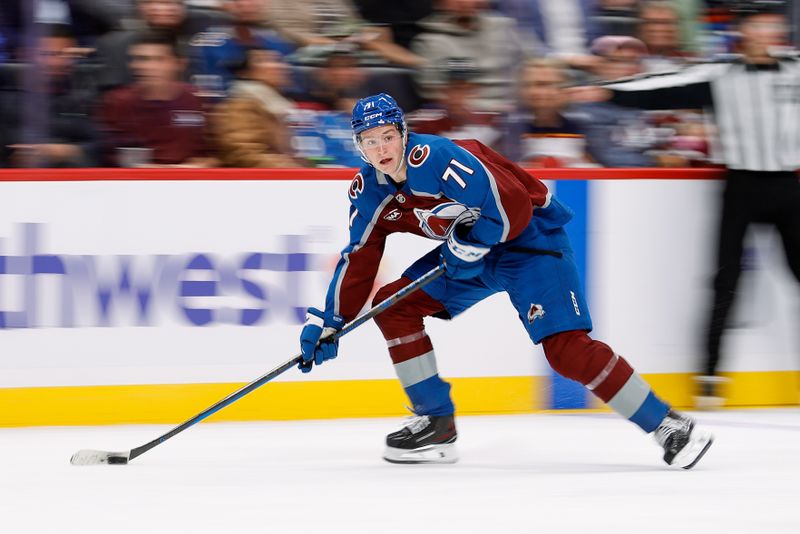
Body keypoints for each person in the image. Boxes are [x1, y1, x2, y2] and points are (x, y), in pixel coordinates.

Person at [296, 92, 714, 468]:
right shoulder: (368, 189)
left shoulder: (437, 157)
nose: (381, 148)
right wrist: (329, 319)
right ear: (359, 147)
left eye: (387, 136)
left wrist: (473, 243)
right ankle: (435, 424)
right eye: (370, 141)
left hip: (528, 241)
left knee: (565, 350)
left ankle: (667, 425)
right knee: (395, 305)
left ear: (404, 133)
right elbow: (360, 256)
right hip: (469, 256)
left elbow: (512, 205)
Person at [568, 0, 800, 409]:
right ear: (745, 31)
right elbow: (660, 85)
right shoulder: (721, 74)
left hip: (789, 186)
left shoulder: (795, 68)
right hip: (742, 185)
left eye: (773, 25)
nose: (768, 33)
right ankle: (711, 373)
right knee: (726, 280)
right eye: (760, 25)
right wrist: (608, 90)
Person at [98, 31, 214, 167]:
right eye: (140, 59)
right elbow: (121, 160)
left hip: (194, 179)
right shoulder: (118, 102)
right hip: (139, 181)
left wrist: (199, 167)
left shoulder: (197, 98)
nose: (146, 67)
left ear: (179, 64)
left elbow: (215, 155)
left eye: (158, 59)